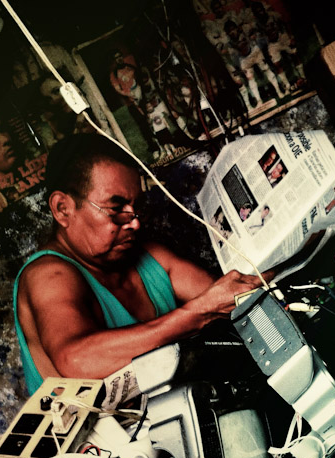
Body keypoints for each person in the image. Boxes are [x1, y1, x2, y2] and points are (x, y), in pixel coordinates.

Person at [14, 133, 267, 395]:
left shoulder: (147, 255)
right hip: (104, 435)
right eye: (116, 209)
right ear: (62, 208)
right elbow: (76, 361)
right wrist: (198, 313)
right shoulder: (47, 274)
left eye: (136, 207)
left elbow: (234, 296)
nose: (135, 222)